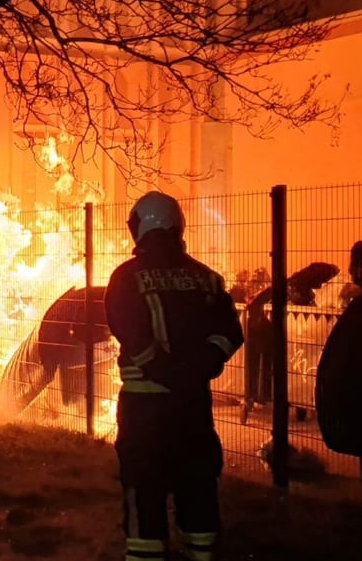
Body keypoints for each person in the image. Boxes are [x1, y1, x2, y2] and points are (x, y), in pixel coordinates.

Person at [104, 191, 245, 561]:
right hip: (192, 405)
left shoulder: (126, 277)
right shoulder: (207, 278)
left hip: (144, 406)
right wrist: (200, 367)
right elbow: (230, 332)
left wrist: (163, 369)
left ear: (143, 227)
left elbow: (128, 330)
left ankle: (146, 556)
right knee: (197, 483)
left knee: (143, 485)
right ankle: (203, 554)